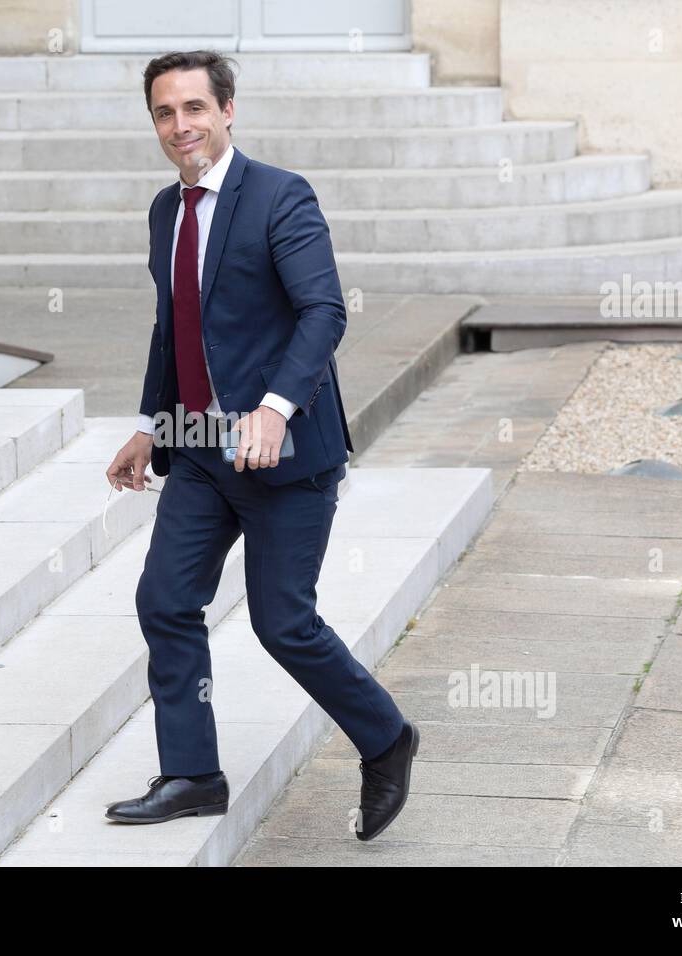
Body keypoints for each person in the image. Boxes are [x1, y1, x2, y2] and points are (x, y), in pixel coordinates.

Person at [103, 50, 418, 842]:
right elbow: (171, 327)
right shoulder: (162, 212)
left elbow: (323, 313)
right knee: (165, 601)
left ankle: (386, 738)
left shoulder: (281, 196)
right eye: (166, 113)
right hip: (203, 456)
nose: (182, 127)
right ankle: (193, 774)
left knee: (283, 623)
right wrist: (150, 422)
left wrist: (276, 408)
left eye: (195, 109)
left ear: (228, 110)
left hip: (287, 457)